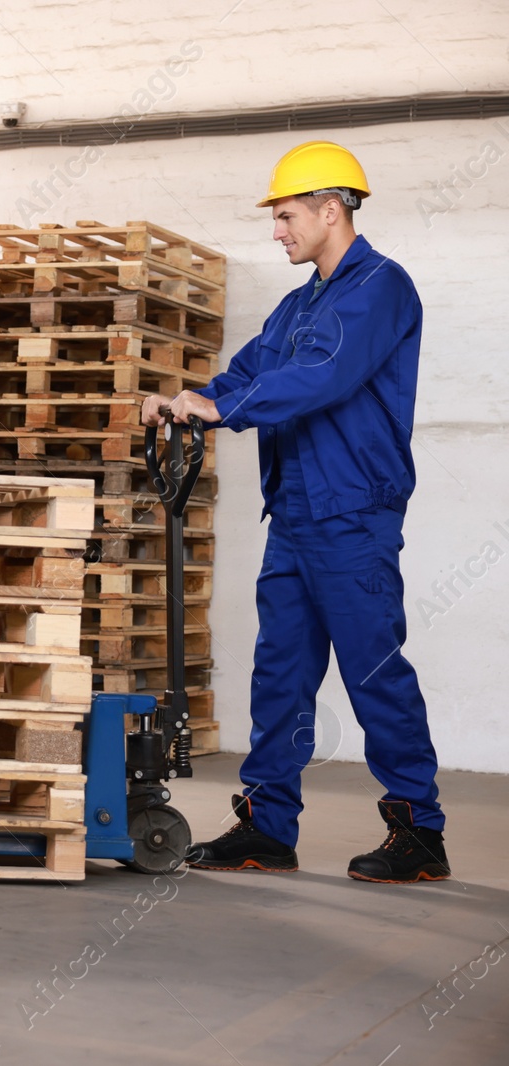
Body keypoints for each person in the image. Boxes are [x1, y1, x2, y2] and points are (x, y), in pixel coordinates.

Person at [141, 141, 448, 884]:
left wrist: (223, 408)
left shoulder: (381, 288)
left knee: (374, 671)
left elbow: (324, 376)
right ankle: (268, 827)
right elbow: (247, 371)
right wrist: (187, 402)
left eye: (285, 216)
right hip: (297, 514)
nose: (277, 231)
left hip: (353, 513)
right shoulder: (297, 304)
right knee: (280, 672)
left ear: (330, 209)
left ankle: (418, 831)